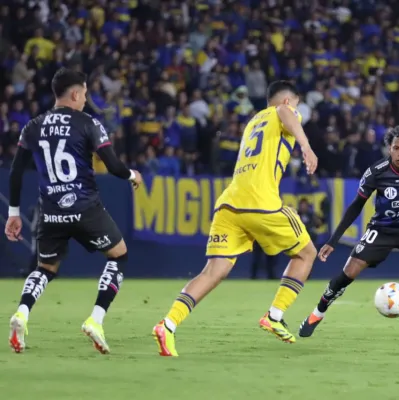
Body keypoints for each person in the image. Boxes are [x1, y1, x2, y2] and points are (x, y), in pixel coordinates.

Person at [152, 80, 319, 356]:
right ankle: (274, 315)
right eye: (296, 105)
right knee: (306, 253)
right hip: (261, 202)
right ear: (289, 101)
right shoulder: (285, 111)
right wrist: (306, 146)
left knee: (214, 271)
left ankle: (168, 324)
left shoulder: (253, 122)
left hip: (230, 203)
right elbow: (286, 113)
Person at [4, 68, 142, 354]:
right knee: (119, 255)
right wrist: (132, 175)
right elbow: (114, 166)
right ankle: (96, 319)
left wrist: (14, 213)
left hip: (51, 212)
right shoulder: (88, 123)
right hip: (85, 207)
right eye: (85, 94)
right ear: (76, 94)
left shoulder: (33, 125)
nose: (85, 100)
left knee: (45, 268)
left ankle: (21, 314)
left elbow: (16, 172)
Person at [298, 125, 399, 343]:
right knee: (348, 273)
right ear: (389, 150)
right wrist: (333, 240)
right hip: (381, 230)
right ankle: (316, 315)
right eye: (396, 148)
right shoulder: (377, 172)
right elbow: (356, 205)